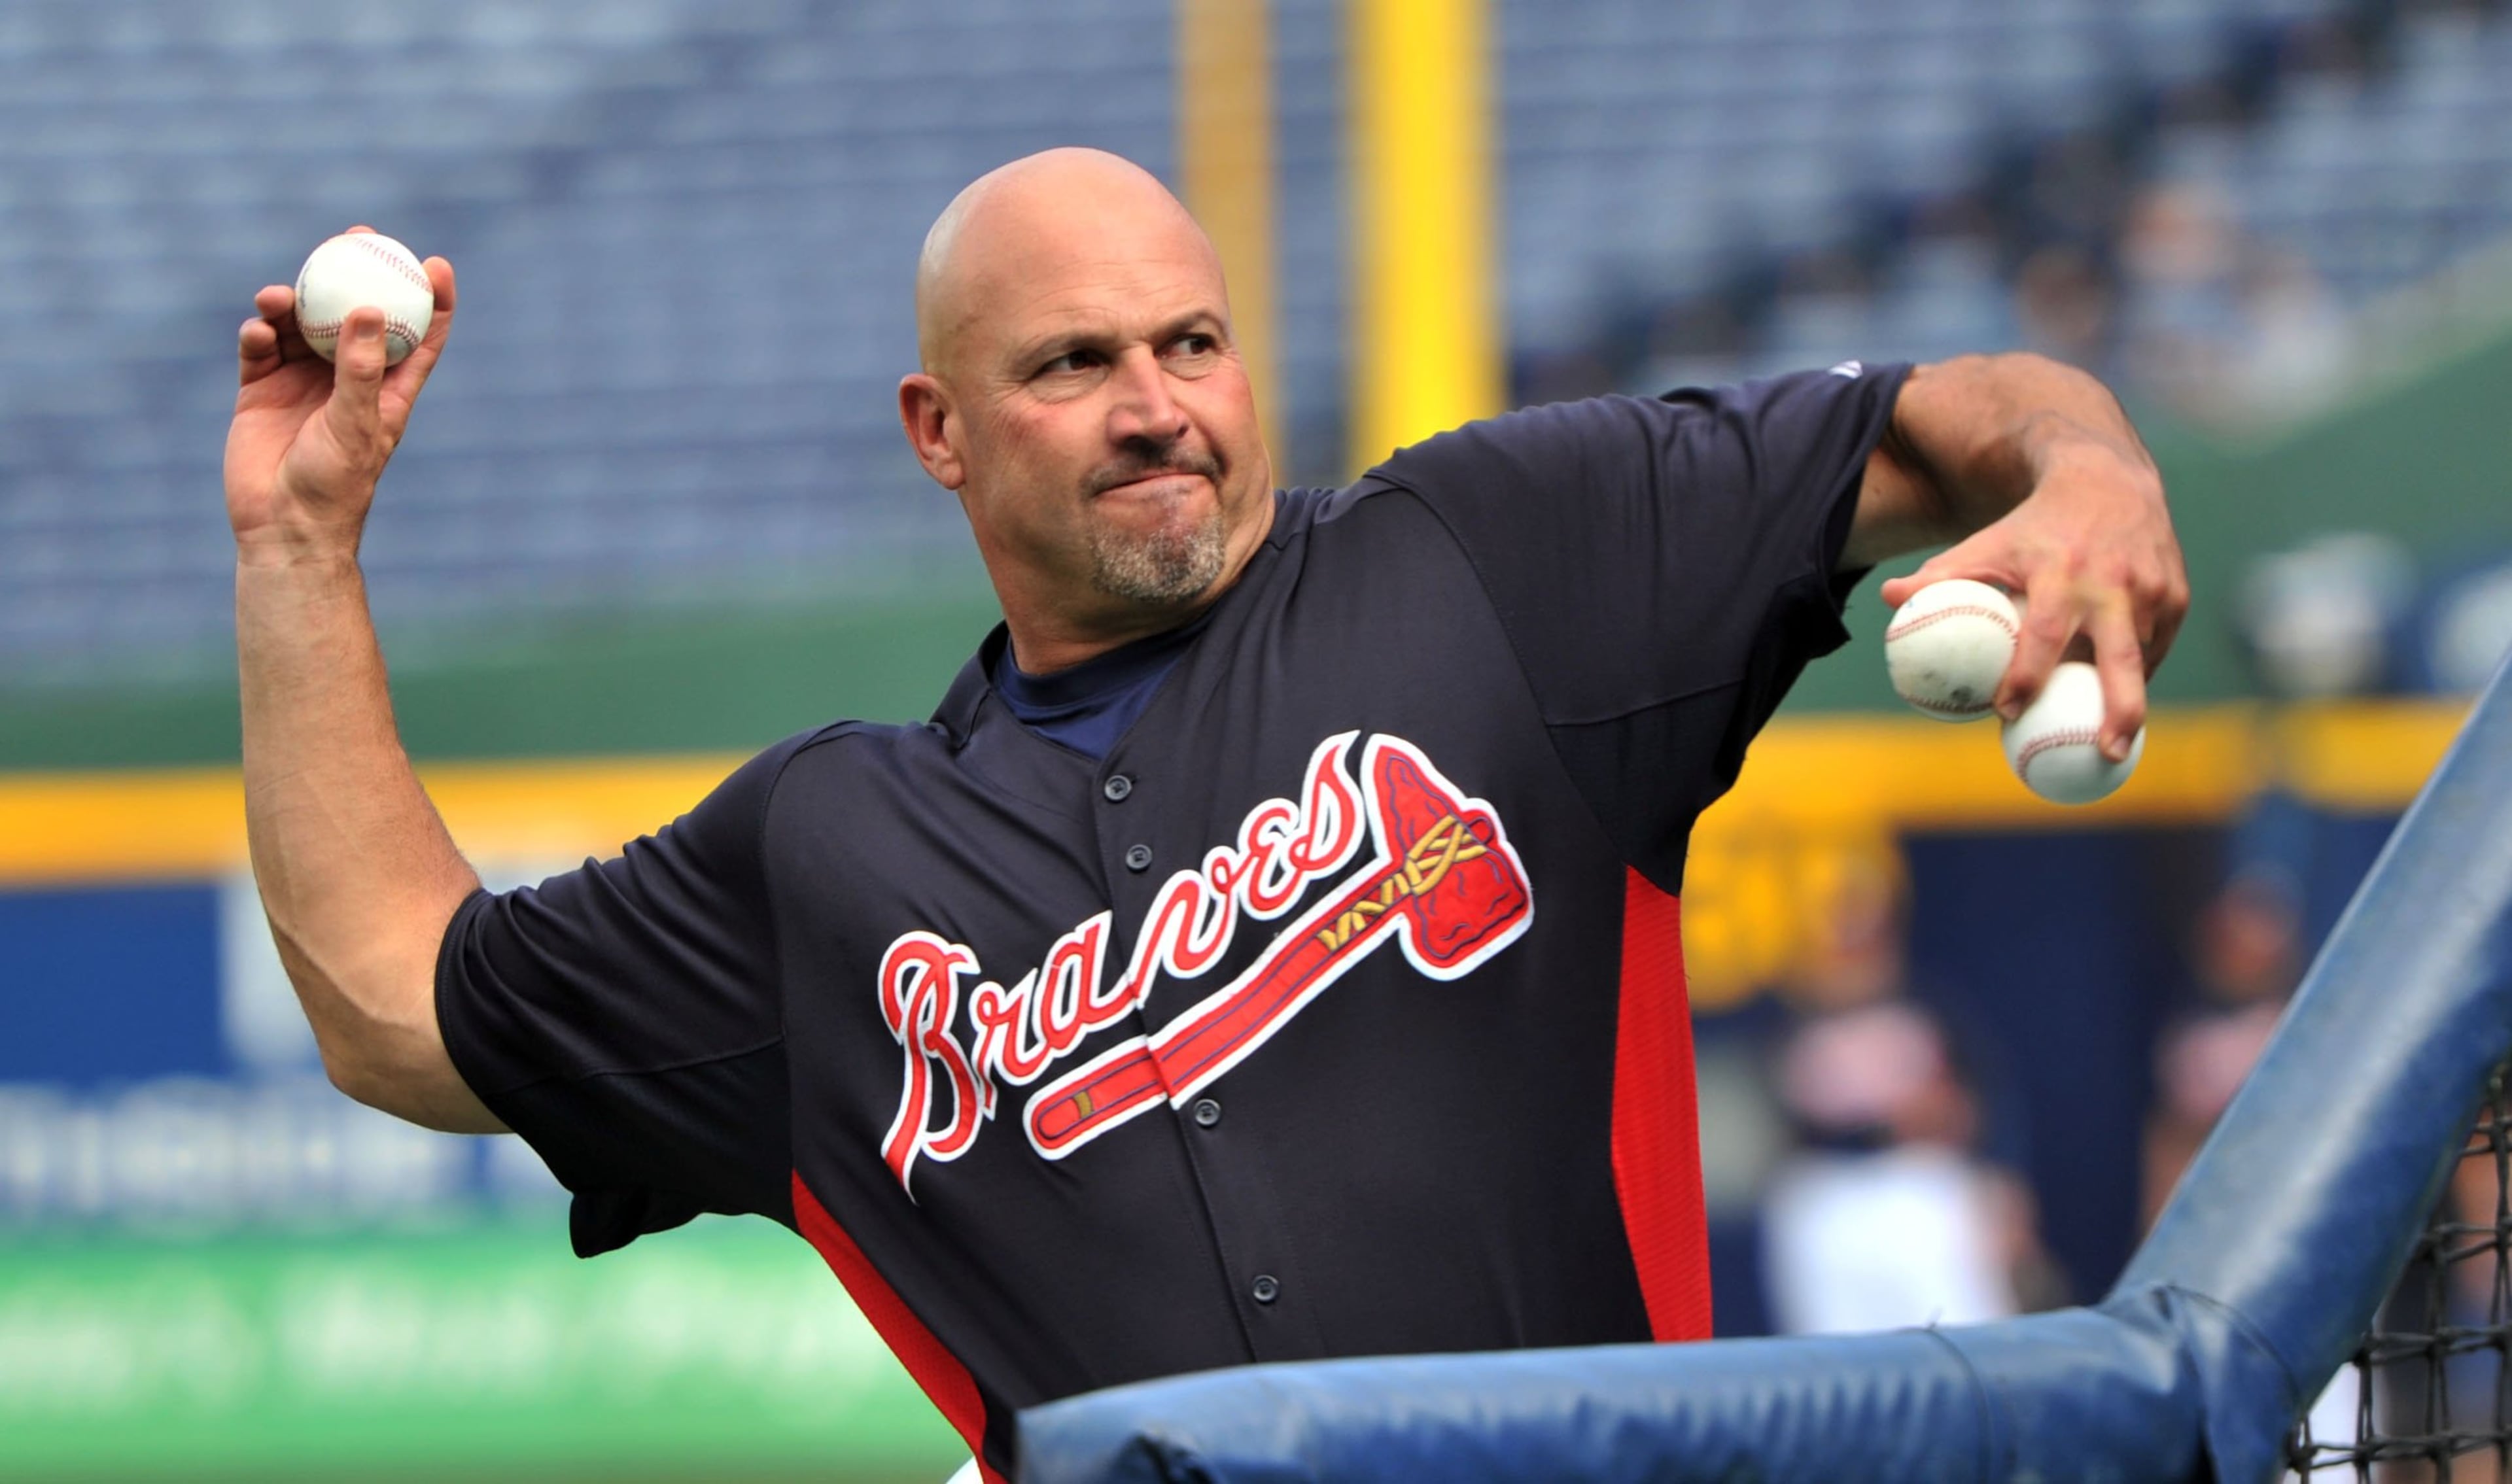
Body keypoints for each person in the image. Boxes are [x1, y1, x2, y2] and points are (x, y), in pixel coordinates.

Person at [223, 148, 2187, 1480]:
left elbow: (1954, 413)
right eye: (1074, 366)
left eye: (1193, 342)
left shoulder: (1504, 560)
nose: (1160, 404)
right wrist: (301, 541)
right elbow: (395, 1001)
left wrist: (2084, 468)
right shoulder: (825, 861)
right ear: (940, 433)